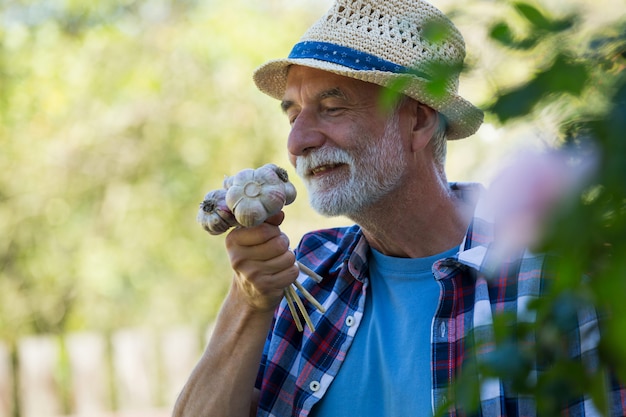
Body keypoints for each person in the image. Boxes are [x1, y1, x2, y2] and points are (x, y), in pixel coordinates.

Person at [173, 0, 626, 416]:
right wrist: (248, 302)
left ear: (419, 120)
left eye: (332, 108)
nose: (297, 142)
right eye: (293, 116)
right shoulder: (307, 273)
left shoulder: (558, 278)